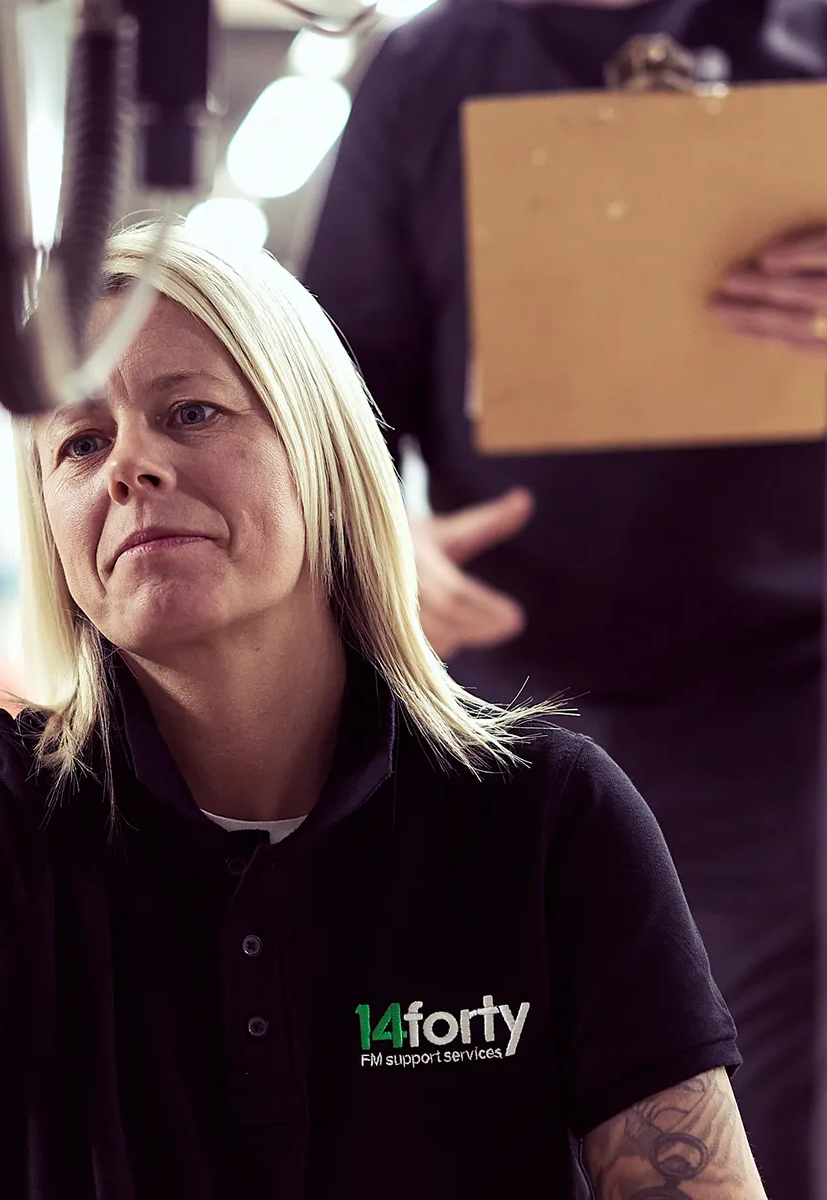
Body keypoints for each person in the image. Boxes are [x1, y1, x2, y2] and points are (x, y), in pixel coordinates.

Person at [0, 222, 765, 1199]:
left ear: (324, 462)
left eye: (191, 412)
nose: (128, 467)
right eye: (81, 442)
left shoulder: (544, 818)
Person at [301, 2, 826, 1197]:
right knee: (500, 1095)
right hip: (508, 703)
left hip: (782, 698)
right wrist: (381, 541)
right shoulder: (431, 70)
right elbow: (333, 396)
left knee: (760, 1117)